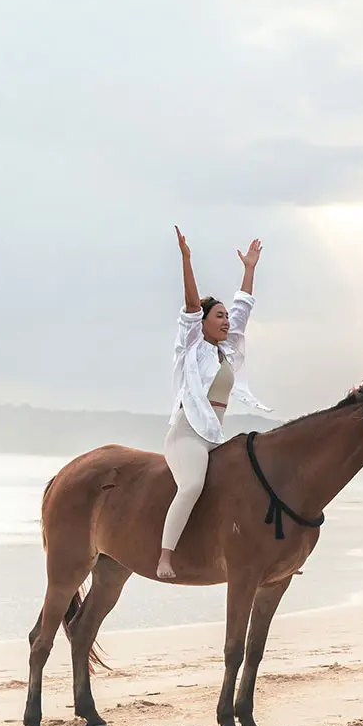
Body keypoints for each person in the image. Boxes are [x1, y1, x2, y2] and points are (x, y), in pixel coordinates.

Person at [157, 226, 270, 580]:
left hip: (214, 438)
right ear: (202, 323)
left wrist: (249, 269)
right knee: (191, 486)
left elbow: (243, 309)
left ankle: (258, 554)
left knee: (247, 484)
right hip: (186, 436)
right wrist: (186, 260)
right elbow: (192, 305)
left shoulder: (226, 350)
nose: (226, 321)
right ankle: (165, 557)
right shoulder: (191, 345)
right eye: (218, 316)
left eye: (225, 317)